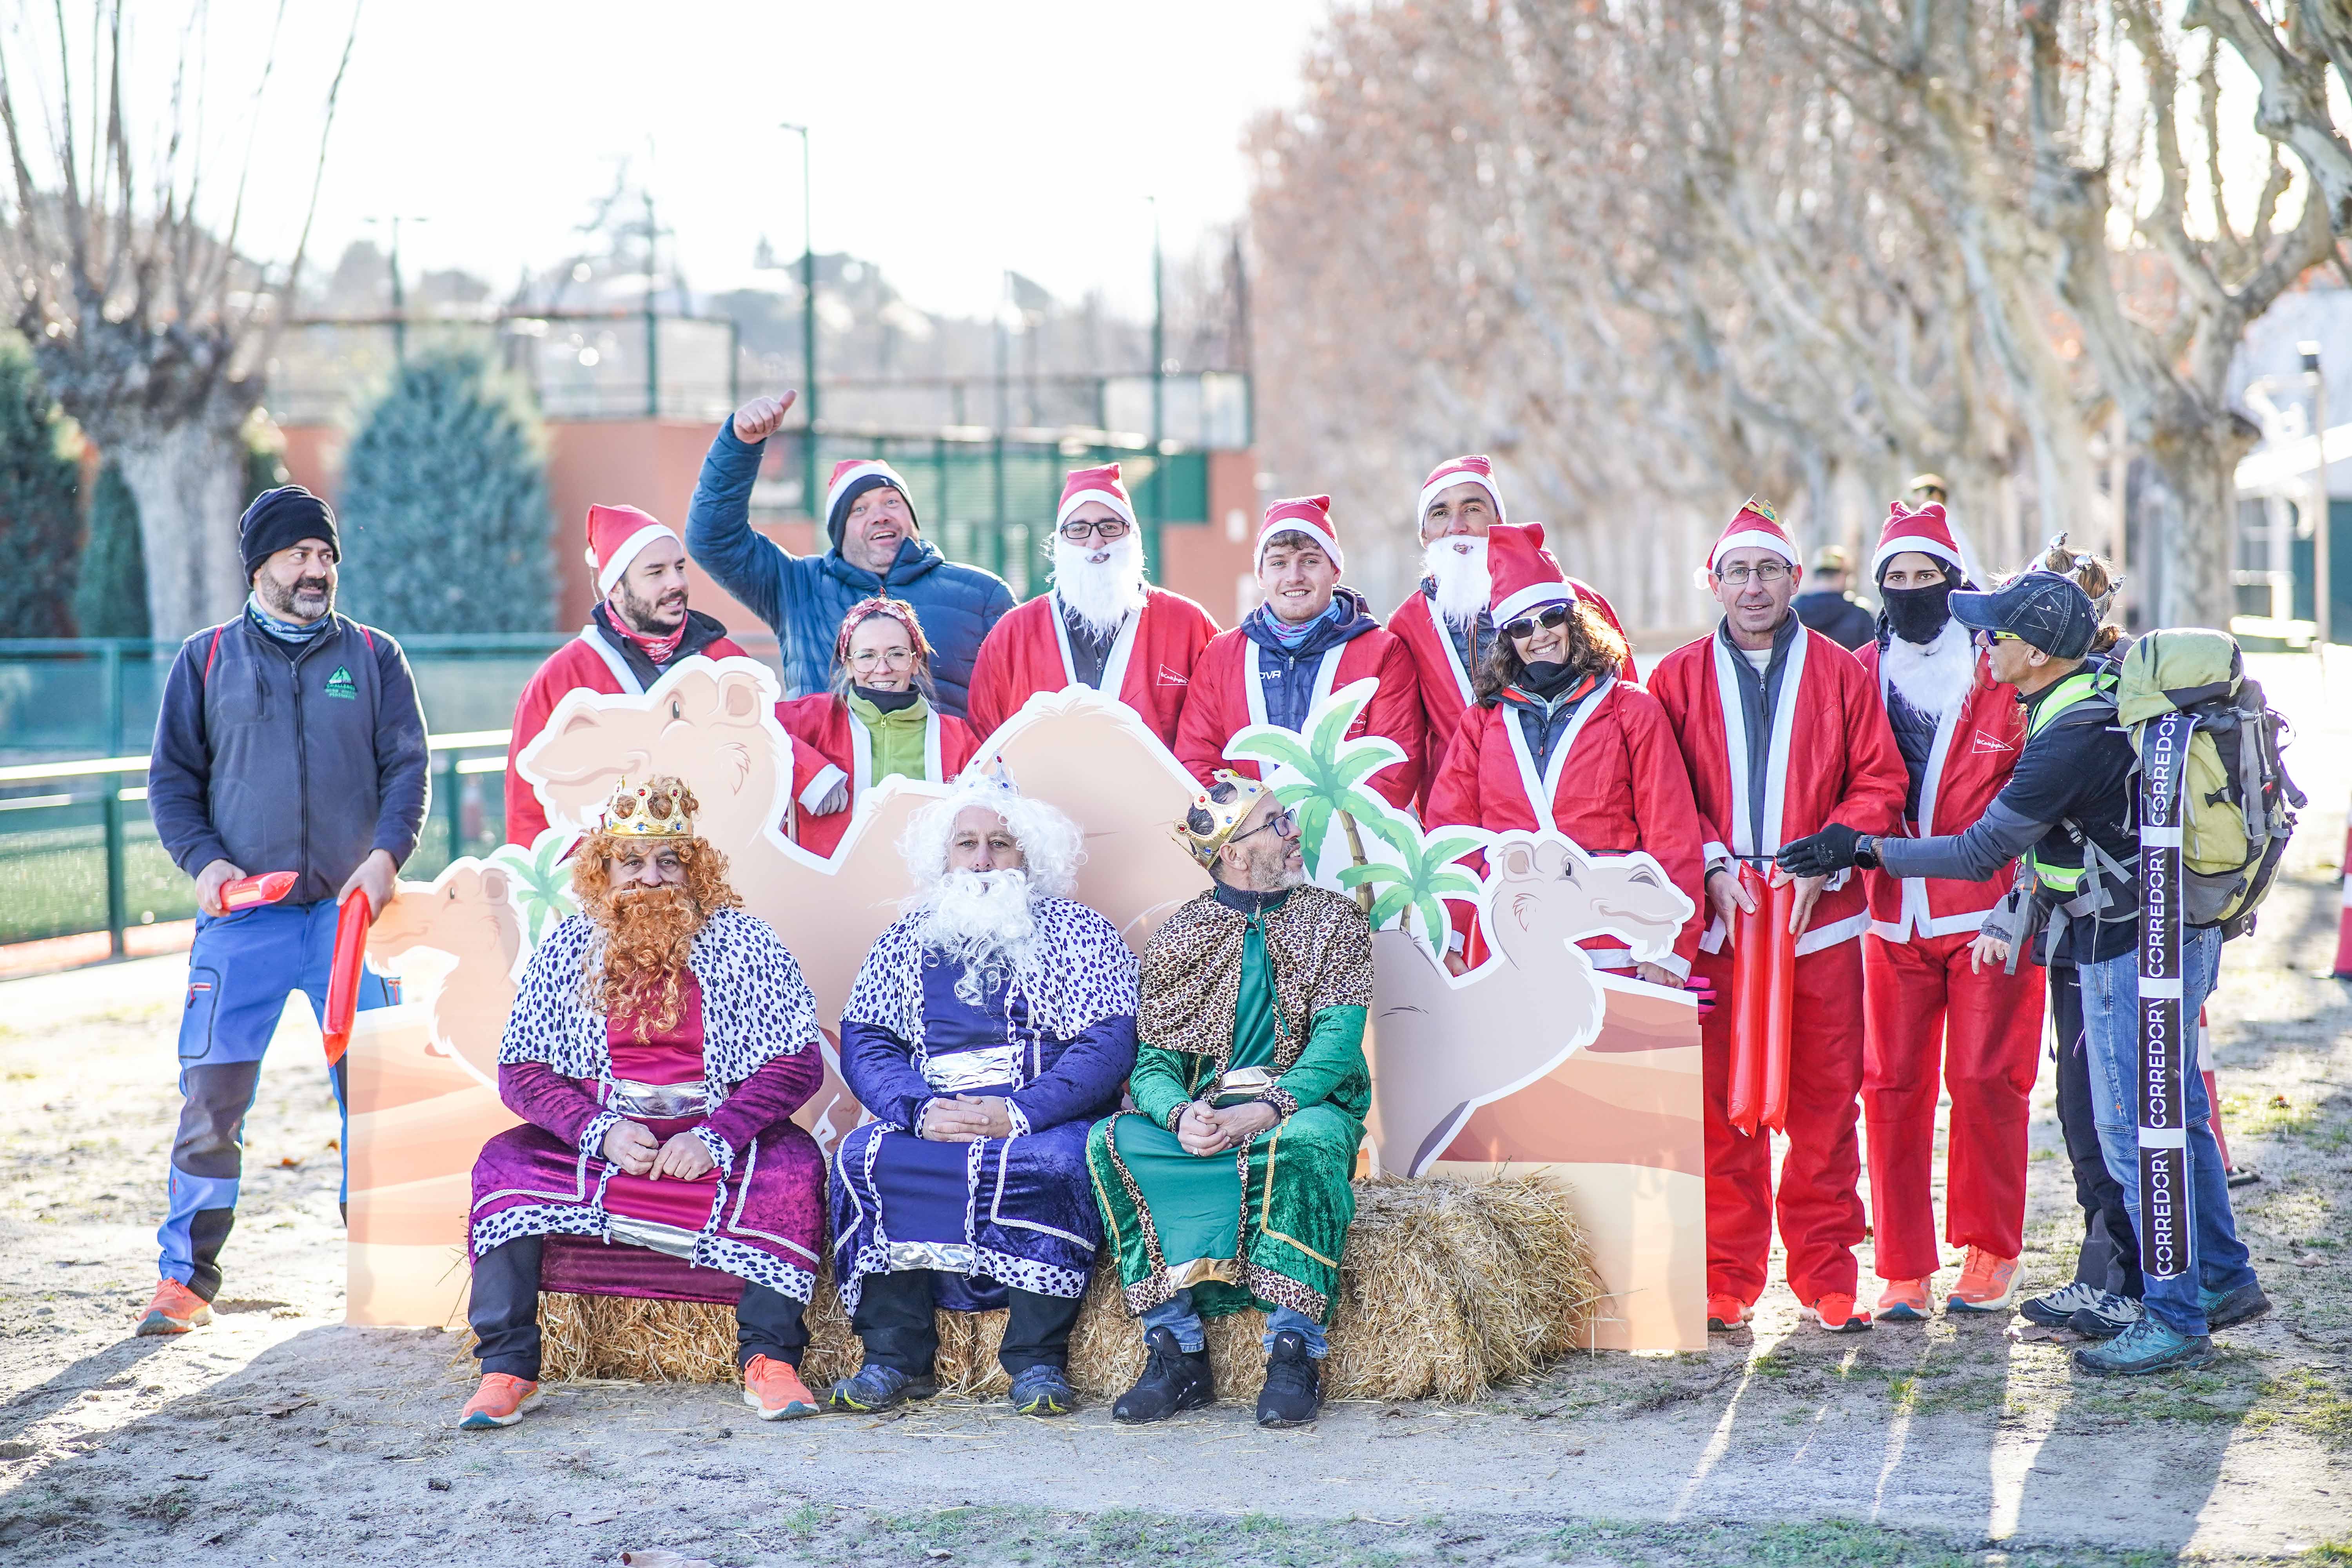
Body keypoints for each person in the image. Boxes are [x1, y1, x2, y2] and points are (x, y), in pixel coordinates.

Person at [1779, 572, 2270, 1376]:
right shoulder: (2090, 699)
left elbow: (1981, 849)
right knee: (2176, 1110)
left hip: (2128, 945)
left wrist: (1861, 849)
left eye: (1995, 633)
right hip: (2170, 931)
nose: (1982, 642)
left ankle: (2175, 1314)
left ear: (2036, 653)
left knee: (2131, 1129)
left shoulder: (2068, 734)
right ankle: (2223, 1276)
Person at [138, 486, 428, 1337]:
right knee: (212, 1098)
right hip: (244, 922)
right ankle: (186, 1279)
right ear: (260, 565)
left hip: (351, 917)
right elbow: (172, 781)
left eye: (327, 555)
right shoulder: (204, 659)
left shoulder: (374, 656)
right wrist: (205, 861)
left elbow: (407, 768)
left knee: (378, 1098)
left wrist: (385, 858)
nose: (317, 569)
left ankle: (385, 1268)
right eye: (300, 554)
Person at [459, 776, 829, 1427]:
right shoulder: (571, 946)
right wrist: (597, 1131)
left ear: (695, 868)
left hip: (716, 1137)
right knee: (503, 1165)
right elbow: (522, 1069)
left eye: (669, 862)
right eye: (632, 862)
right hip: (607, 1139)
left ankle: (770, 1360)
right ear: (604, 870)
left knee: (794, 1170)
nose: (651, 879)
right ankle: (508, 1367)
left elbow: (797, 1064)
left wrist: (716, 1137)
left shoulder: (747, 942)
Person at [1646, 498, 1907, 1336]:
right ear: (1715, 583)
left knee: (1827, 1101)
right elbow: (1662, 792)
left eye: (1768, 570)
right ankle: (1727, 1274)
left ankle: (1828, 1272)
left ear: (1796, 578)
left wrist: (1828, 855)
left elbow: (1879, 779)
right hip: (1720, 922)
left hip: (1817, 922)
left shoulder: (1843, 672)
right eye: (1738, 572)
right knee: (1722, 1105)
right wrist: (1710, 862)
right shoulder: (1675, 677)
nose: (1753, 586)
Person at [827, 775, 1139, 1416]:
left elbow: (1107, 1042)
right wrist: (918, 1110)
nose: (982, 859)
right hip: (934, 1111)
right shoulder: (906, 938)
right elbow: (869, 1041)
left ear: (1030, 853)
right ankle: (894, 1359)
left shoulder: (1081, 932)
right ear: (944, 856)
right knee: (864, 1158)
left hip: (1043, 1115)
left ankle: (1037, 1363)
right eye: (966, 843)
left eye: (1001, 843)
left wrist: (1021, 1112)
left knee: (1053, 1166)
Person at [1086, 771, 1372, 1429]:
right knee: (1111, 1140)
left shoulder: (1337, 922)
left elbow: (1337, 1043)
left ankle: (1294, 1351)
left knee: (1306, 1143)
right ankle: (1175, 1353)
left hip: (1304, 1108)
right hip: (1210, 1112)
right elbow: (1154, 1065)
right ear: (1236, 854)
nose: (1294, 831)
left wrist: (1272, 1106)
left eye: (1287, 817)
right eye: (1277, 823)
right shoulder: (1180, 935)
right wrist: (1180, 1114)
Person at [1848, 503, 2043, 1321]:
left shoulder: (2002, 668)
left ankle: (1991, 1248)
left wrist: (2022, 893)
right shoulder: (1859, 669)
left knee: (1986, 1078)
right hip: (1889, 913)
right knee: (1890, 1085)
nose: (1911, 589)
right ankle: (1901, 1266)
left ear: (1957, 582)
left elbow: (2037, 787)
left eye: (1927, 575)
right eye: (1895, 577)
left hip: (1990, 910)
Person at [1425, 523, 1706, 983]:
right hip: (1513, 948)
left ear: (1574, 621)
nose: (1539, 635)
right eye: (1521, 626)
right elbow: (1454, 835)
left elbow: (1671, 832)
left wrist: (1667, 947)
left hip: (1616, 949)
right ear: (1507, 639)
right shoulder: (1483, 722)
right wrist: (1449, 936)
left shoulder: (1631, 710)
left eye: (1551, 617)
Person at [685, 392, 1014, 719]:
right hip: (825, 757)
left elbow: (1016, 698)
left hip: (946, 757)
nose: (880, 516)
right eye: (859, 509)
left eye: (892, 502)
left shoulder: (983, 595)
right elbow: (714, 539)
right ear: (839, 532)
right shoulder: (797, 586)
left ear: (913, 519)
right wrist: (739, 446)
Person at [2013, 540, 2145, 1337]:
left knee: (2106, 1108)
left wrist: (1868, 851)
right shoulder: (2060, 694)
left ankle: (2132, 1282)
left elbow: (1997, 837)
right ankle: (2104, 1270)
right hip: (2077, 930)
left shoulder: (2089, 705)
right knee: (2080, 1103)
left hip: (2113, 935)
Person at [1385, 456, 1634, 808]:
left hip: (1576, 803)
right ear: (1424, 534)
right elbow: (1406, 738)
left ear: (1499, 521)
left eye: (1472, 509)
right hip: (1460, 810)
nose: (1457, 526)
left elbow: (1626, 704)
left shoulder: (1570, 599)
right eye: (1440, 513)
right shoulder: (1407, 623)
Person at [504, 503, 752, 846]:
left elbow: (773, 751)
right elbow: (528, 808)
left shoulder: (724, 659)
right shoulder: (562, 677)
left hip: (719, 868)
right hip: (605, 876)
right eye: (656, 573)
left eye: (679, 567)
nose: (677, 583)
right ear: (616, 589)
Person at [1174, 495, 1422, 810]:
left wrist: (1331, 830)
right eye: (1279, 563)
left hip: (1351, 837)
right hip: (1250, 838)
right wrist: (1262, 829)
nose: (1294, 576)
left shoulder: (1383, 653)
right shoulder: (1222, 656)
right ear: (1261, 575)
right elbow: (1198, 758)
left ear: (1335, 570)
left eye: (1310, 561)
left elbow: (1394, 765)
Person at [967, 462, 1220, 747]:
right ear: (1060, 541)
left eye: (1110, 527)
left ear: (1133, 535)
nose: (1096, 542)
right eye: (1079, 529)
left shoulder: (1188, 624)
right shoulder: (1015, 632)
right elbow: (986, 738)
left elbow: (1217, 728)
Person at [779, 598, 981, 857]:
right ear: (848, 665)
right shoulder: (813, 718)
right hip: (827, 882)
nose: (883, 669)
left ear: (916, 662)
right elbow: (742, 725)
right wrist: (808, 773)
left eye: (897, 654)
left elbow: (991, 810)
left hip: (925, 883)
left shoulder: (957, 737)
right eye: (867, 656)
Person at [1791, 545, 1876, 651]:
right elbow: (1871, 655)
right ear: (1844, 576)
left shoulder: (1793, 612)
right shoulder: (1861, 615)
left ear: (1815, 575)